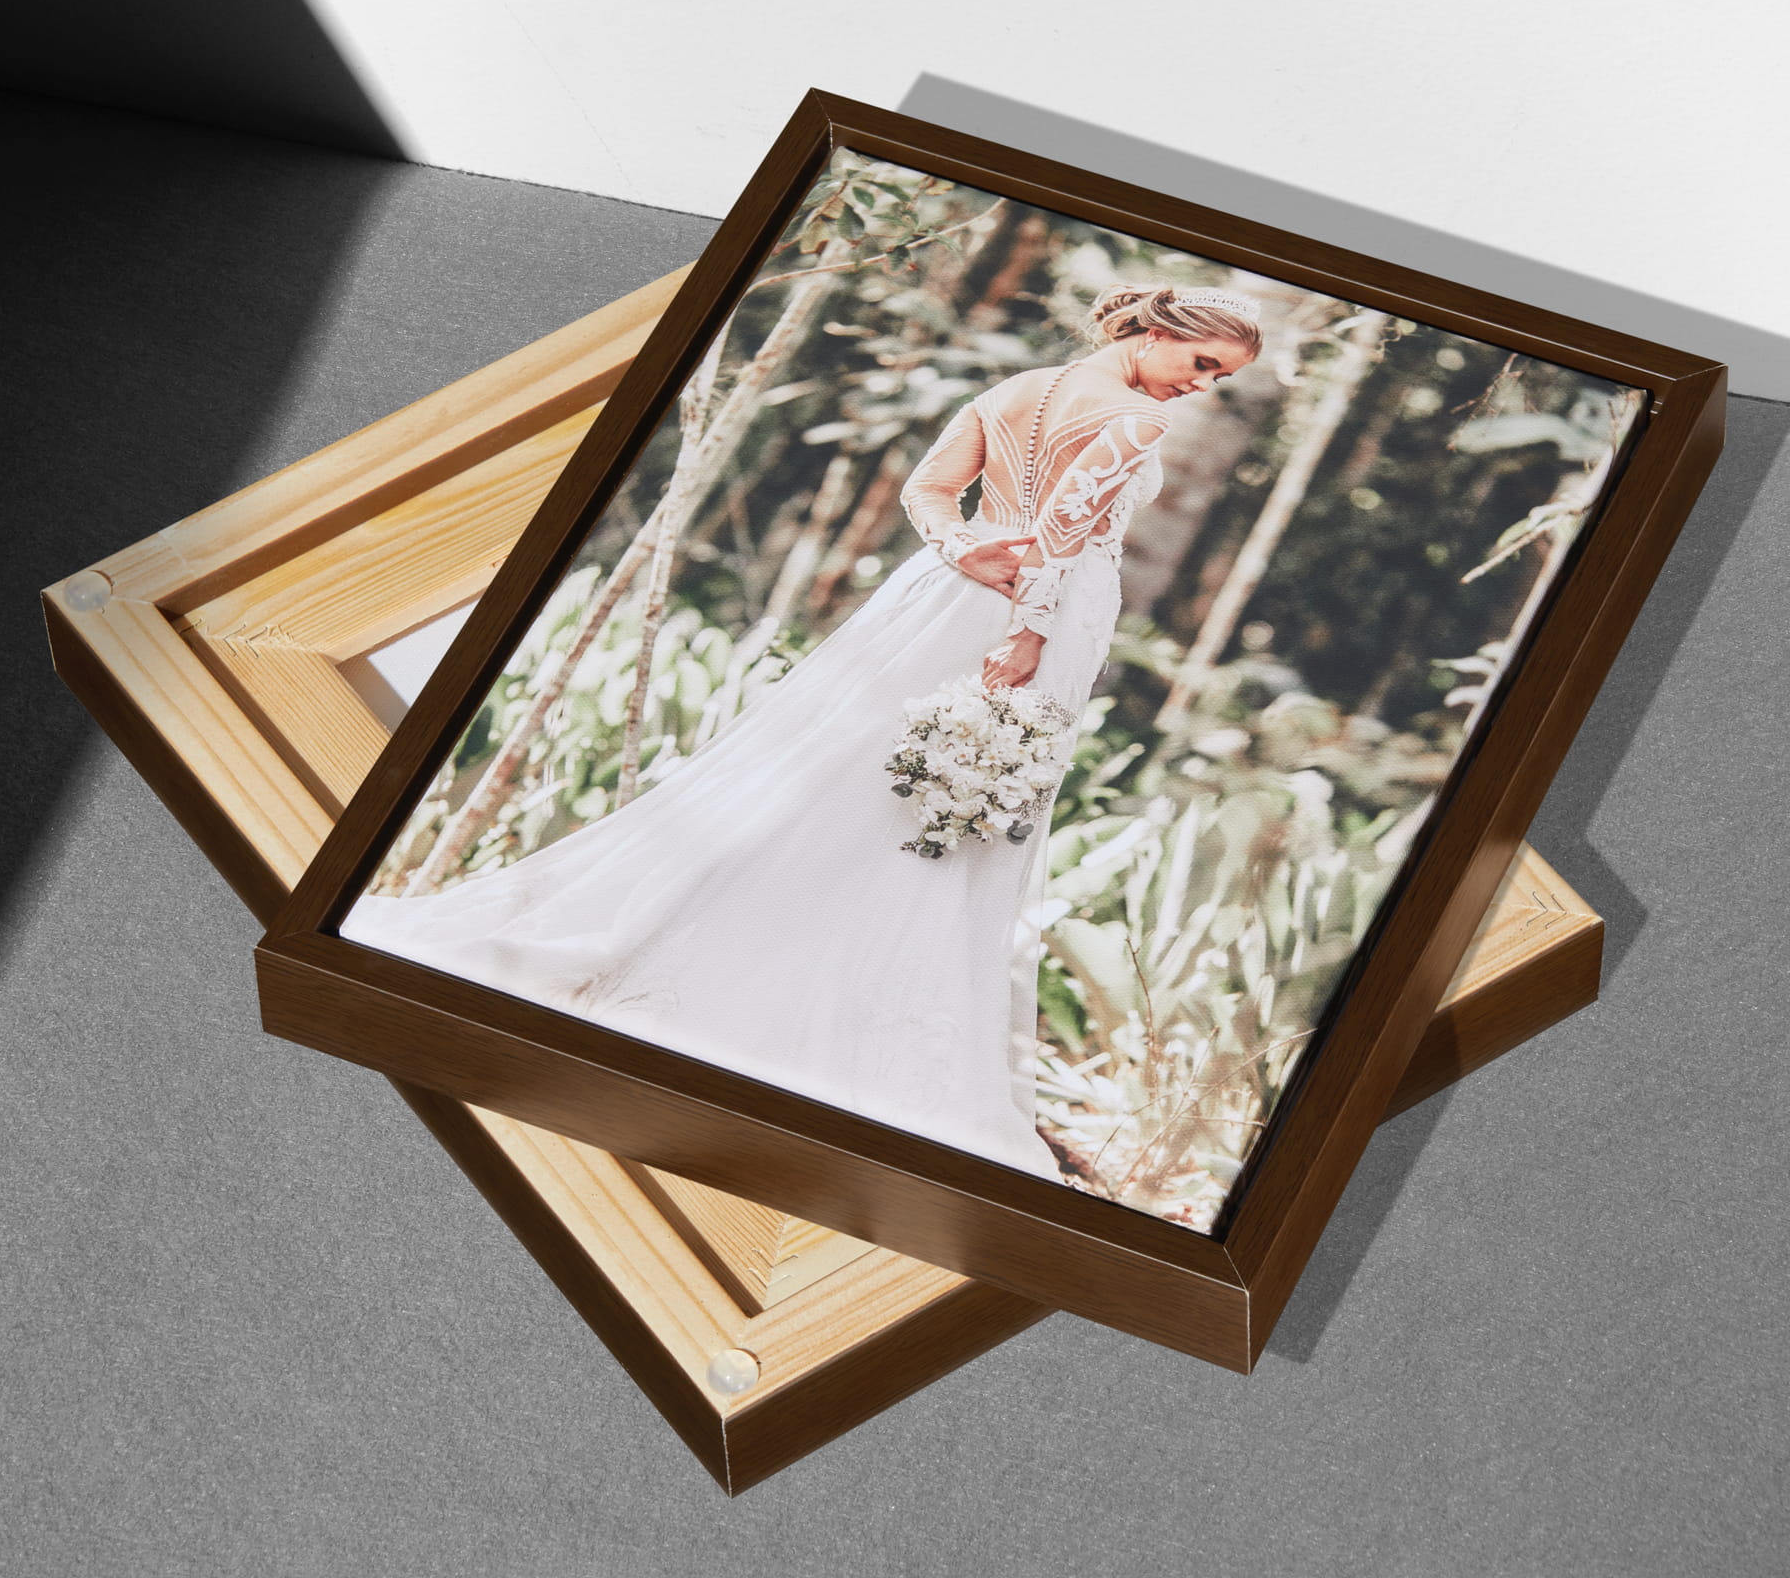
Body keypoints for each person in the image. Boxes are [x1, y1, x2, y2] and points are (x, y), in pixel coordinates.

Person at [343, 285, 1267, 1177]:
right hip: (1030, 616)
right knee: (945, 801)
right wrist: (1027, 639)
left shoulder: (1015, 390)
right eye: (1201, 362)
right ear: (1154, 331)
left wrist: (963, 551)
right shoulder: (1134, 420)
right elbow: (1062, 542)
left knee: (843, 772)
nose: (1201, 385)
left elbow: (928, 493)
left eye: (1218, 379)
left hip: (941, 595)